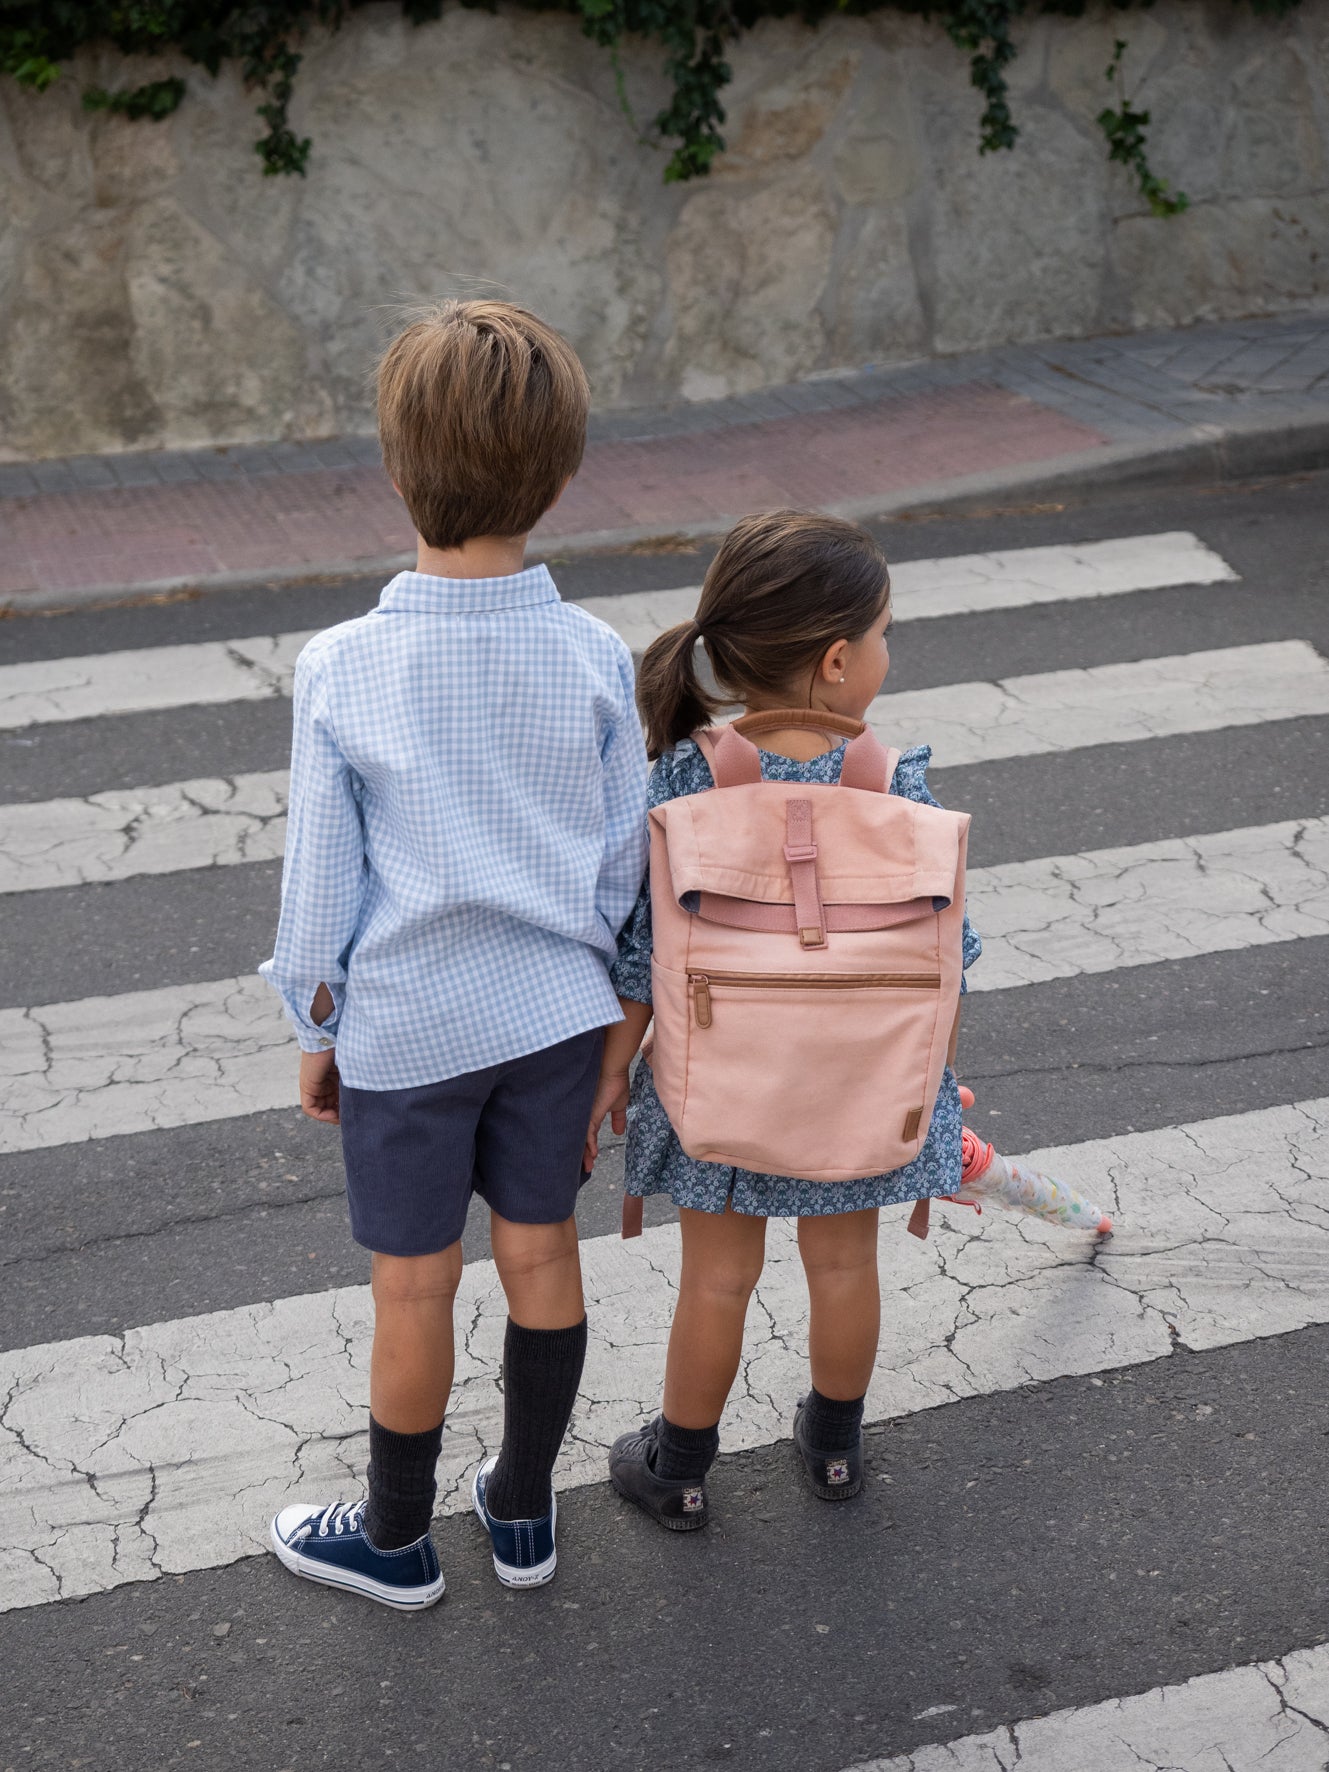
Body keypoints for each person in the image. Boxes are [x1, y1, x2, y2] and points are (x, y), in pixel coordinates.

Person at [260, 300, 648, 1607]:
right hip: (552, 1018)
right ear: (562, 469)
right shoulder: (594, 656)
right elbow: (617, 865)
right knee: (544, 1253)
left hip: (409, 1030)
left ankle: (393, 1539)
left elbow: (319, 887)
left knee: (412, 1287)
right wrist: (601, 1011)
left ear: (393, 465)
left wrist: (318, 1028)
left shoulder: (346, 667)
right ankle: (525, 1516)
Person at [583, 510, 981, 1528]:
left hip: (721, 1092)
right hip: (860, 1095)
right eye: (886, 633)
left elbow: (639, 954)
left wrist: (610, 1074)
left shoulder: (687, 776)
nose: (890, 651)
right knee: (846, 1263)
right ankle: (836, 1450)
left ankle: (678, 1465)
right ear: (841, 660)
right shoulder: (895, 785)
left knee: (716, 1280)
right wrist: (932, 1076)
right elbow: (951, 960)